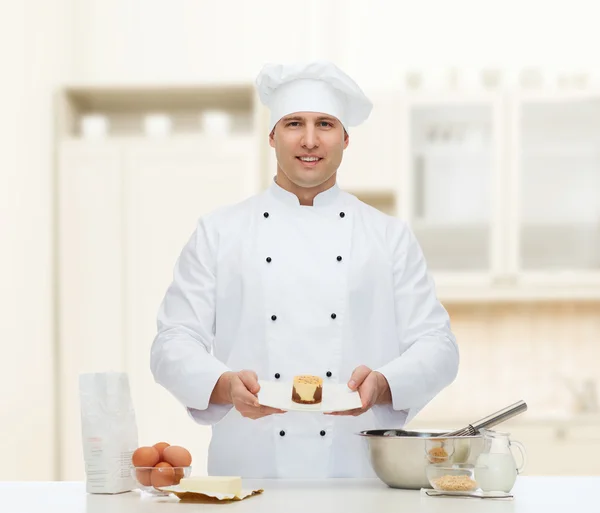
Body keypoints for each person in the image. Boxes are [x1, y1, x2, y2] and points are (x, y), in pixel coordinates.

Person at [150, 60, 459, 479]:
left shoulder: (388, 237)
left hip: (356, 476)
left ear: (346, 138)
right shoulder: (219, 232)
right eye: (294, 123)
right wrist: (223, 384)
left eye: (325, 125)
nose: (310, 140)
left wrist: (385, 381)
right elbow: (172, 342)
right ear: (273, 136)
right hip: (248, 475)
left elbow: (438, 347)